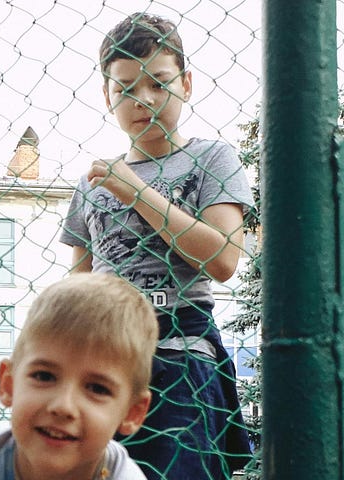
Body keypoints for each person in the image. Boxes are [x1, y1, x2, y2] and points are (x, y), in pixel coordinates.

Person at [58, 12, 255, 480]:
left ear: (186, 83)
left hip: (179, 351)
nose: (143, 99)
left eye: (158, 83)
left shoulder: (212, 158)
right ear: (107, 96)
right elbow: (77, 281)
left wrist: (134, 192)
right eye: (125, 87)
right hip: (102, 359)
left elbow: (223, 259)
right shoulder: (90, 186)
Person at [0, 273, 156, 480]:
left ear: (132, 412)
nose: (63, 406)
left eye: (97, 389)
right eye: (44, 376)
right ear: (8, 384)